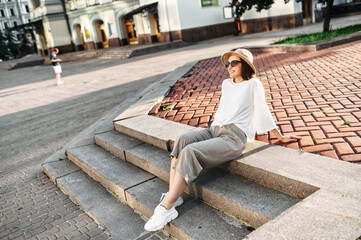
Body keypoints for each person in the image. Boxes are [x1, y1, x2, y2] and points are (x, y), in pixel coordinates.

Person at [144, 48, 302, 232]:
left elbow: (263, 112)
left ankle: (166, 208)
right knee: (182, 140)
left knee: (191, 152)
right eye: (227, 63)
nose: (229, 67)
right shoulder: (227, 84)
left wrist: (280, 136)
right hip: (214, 130)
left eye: (234, 63)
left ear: (245, 65)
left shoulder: (253, 85)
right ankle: (175, 194)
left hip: (234, 137)